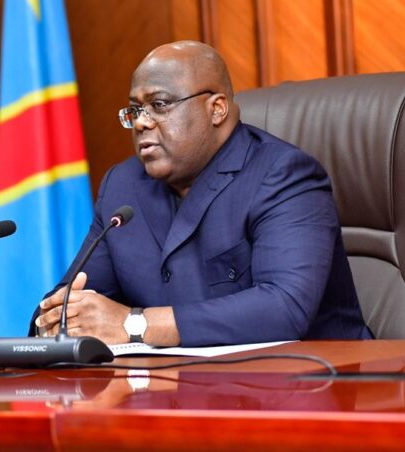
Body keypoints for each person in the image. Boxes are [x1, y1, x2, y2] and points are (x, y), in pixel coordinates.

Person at [31, 40, 373, 346]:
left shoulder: (284, 175)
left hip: (317, 384)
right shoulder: (123, 187)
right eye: (135, 110)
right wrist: (57, 320)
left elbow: (284, 308)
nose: (141, 123)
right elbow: (67, 300)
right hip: (180, 386)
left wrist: (134, 324)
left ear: (217, 109)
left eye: (159, 105)